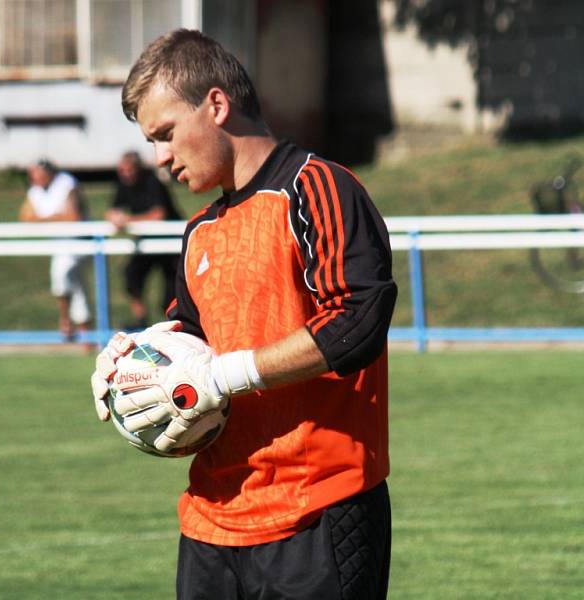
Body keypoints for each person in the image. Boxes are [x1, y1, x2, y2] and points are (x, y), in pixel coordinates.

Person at [91, 29, 397, 599]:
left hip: (317, 514)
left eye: (165, 134)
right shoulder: (199, 230)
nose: (159, 157)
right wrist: (134, 361)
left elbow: (358, 318)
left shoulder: (317, 188)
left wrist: (228, 375)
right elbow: (194, 341)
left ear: (215, 104)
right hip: (211, 521)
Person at [106, 150, 182, 330]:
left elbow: (159, 214)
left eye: (129, 170)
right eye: (122, 170)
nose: (126, 174)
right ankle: (140, 319)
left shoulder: (152, 182)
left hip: (170, 243)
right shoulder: (123, 183)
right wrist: (115, 218)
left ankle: (172, 326)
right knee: (131, 275)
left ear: (138, 168)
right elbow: (112, 210)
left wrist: (128, 220)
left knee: (171, 291)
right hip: (146, 243)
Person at [19, 159, 91, 339]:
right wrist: (57, 217)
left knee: (62, 277)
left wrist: (44, 219)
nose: (33, 178)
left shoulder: (66, 183)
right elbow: (26, 217)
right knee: (76, 288)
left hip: (78, 243)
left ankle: (66, 322)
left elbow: (73, 216)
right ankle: (86, 333)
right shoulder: (35, 190)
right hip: (60, 245)